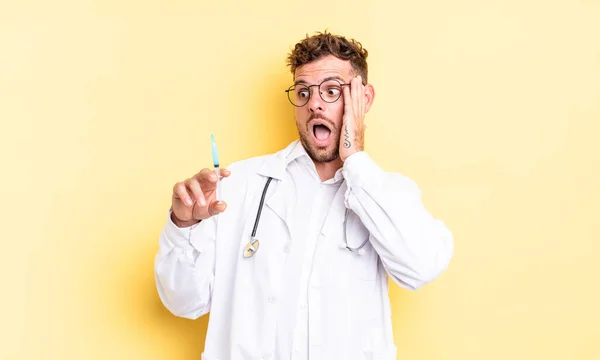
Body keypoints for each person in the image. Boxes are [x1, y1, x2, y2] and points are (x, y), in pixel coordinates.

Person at [154, 31, 454, 360]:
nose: (314, 103)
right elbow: (183, 302)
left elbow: (422, 266)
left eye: (331, 90)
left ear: (363, 99)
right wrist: (183, 226)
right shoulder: (237, 185)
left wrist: (355, 160)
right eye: (303, 92)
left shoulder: (388, 193)